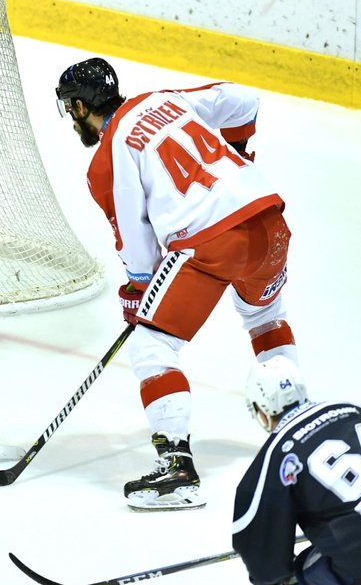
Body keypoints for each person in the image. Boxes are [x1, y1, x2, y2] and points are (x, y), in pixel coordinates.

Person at [55, 57, 297, 511]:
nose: (72, 121)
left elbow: (135, 236)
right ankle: (299, 430)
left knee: (151, 346)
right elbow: (243, 101)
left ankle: (177, 470)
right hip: (268, 218)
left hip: (211, 240)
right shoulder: (165, 100)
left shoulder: (106, 160)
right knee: (267, 319)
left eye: (71, 109)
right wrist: (239, 151)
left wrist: (137, 291)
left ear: (82, 106)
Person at [233, 357, 361, 585]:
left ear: (260, 406)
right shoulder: (356, 411)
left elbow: (259, 545)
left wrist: (273, 580)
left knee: (311, 570)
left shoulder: (278, 453)